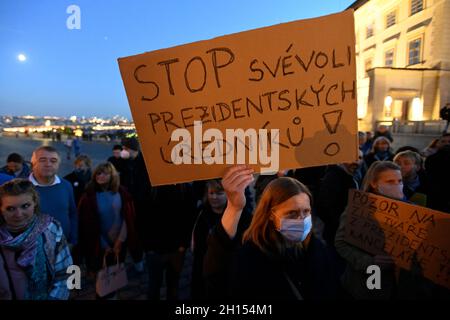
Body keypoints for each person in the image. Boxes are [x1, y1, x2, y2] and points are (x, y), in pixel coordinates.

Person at [203, 165, 339, 300]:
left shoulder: (317, 251)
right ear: (271, 214)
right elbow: (219, 282)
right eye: (292, 213)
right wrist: (234, 208)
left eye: (306, 211)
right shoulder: (251, 260)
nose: (301, 220)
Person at [0, 179, 73, 300]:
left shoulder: (51, 229)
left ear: (35, 203)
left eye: (25, 206)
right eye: (10, 209)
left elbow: (67, 271)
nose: (18, 214)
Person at [78, 163, 141, 299]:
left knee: (115, 271)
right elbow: (88, 225)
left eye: (105, 173)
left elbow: (128, 218)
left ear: (112, 175)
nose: (100, 176)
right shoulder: (89, 196)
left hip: (120, 242)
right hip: (99, 245)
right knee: (101, 277)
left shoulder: (122, 192)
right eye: (98, 173)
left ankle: (113, 294)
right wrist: (104, 245)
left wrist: (120, 241)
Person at [191, 179, 252, 299]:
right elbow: (198, 253)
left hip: (233, 274)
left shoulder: (242, 218)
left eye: (219, 193)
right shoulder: (201, 216)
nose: (214, 197)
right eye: (211, 193)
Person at [28, 146, 78, 246]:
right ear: (33, 163)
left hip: (63, 245)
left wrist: (73, 241)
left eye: (53, 161)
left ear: (58, 165)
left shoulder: (66, 185)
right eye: (42, 160)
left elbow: (73, 213)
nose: (48, 164)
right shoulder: (21, 187)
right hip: (31, 250)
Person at [424, 133, 450, 213]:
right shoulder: (431, 159)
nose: (446, 144)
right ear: (438, 143)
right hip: (435, 199)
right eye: (443, 141)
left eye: (449, 141)